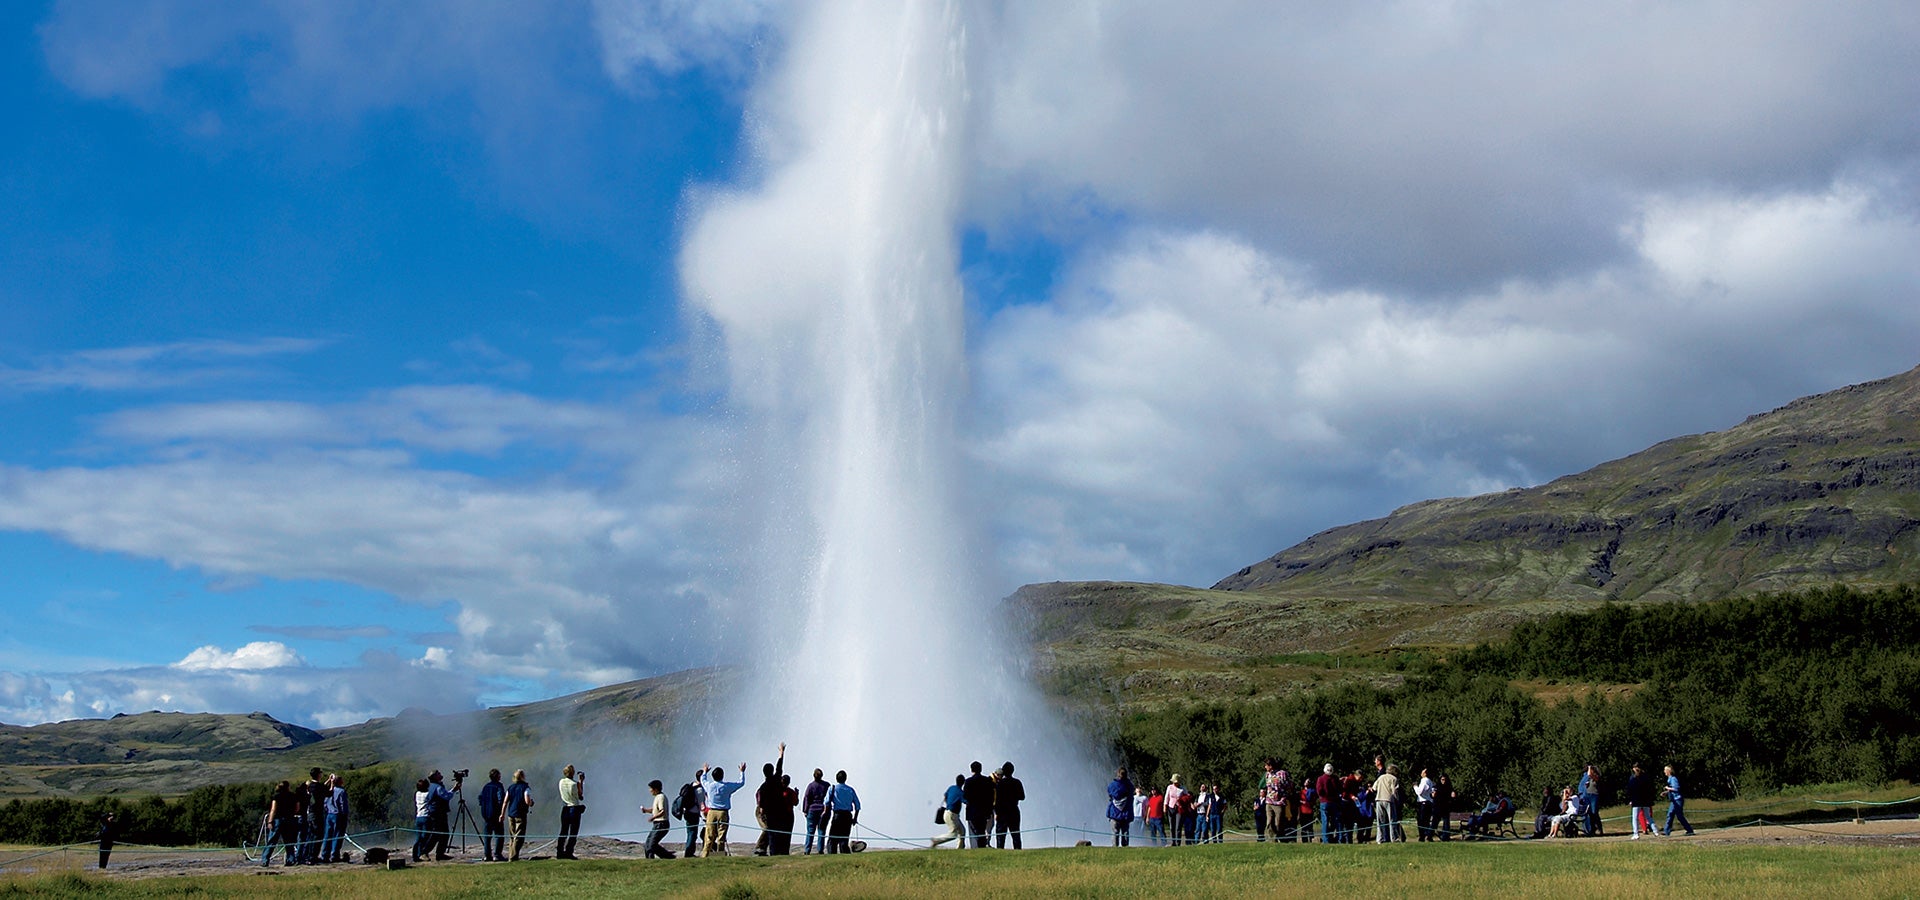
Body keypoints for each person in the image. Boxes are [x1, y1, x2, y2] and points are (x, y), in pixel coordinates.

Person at [703, 761, 749, 856]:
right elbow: (741, 783)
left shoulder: (709, 786)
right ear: (722, 776)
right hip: (723, 812)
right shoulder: (727, 786)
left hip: (711, 812)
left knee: (709, 835)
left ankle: (705, 855)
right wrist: (742, 772)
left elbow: (703, 780)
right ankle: (719, 855)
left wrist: (704, 771)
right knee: (721, 835)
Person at [754, 743, 787, 856]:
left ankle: (768, 850)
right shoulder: (777, 780)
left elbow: (761, 803)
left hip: (768, 811)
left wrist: (762, 811)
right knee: (771, 831)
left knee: (770, 831)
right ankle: (764, 849)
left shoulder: (763, 786)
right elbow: (779, 767)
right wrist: (781, 753)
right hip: (774, 811)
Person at [824, 770, 861, 854]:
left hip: (837, 815)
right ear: (845, 779)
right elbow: (857, 805)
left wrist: (825, 813)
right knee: (844, 839)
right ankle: (844, 855)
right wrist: (855, 818)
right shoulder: (850, 790)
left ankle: (832, 856)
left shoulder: (833, 788)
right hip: (848, 816)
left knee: (832, 839)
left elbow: (826, 802)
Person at [424, 770, 457, 860]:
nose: (441, 774)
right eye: (438, 774)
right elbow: (446, 796)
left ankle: (440, 853)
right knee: (437, 834)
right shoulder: (437, 787)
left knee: (443, 834)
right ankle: (425, 851)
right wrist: (454, 790)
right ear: (435, 777)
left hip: (437, 812)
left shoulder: (433, 786)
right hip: (438, 813)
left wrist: (453, 790)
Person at [962, 761, 995, 848]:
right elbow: (991, 796)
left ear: (971, 770)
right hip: (984, 811)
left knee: (973, 833)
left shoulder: (968, 781)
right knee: (982, 831)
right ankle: (982, 847)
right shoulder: (987, 781)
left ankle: (975, 848)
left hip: (972, 811)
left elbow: (965, 796)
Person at [993, 762, 1026, 849]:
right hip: (1013, 810)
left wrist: (996, 812)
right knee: (1015, 835)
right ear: (1012, 771)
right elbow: (1022, 797)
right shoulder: (1017, 782)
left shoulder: (999, 784)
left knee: (1000, 836)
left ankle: (1000, 853)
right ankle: (1018, 851)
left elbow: (996, 800)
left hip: (1002, 812)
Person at [504, 769, 534, 861]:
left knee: (512, 836)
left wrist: (502, 814)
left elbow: (505, 801)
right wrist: (531, 803)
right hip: (520, 814)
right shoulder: (525, 787)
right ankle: (513, 857)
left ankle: (511, 855)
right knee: (519, 836)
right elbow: (527, 800)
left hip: (510, 814)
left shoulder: (510, 788)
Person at [556, 765, 585, 859]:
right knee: (573, 831)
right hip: (574, 808)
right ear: (572, 773)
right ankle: (569, 852)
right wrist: (581, 782)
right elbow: (580, 796)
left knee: (563, 831)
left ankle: (559, 852)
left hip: (565, 808)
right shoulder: (575, 784)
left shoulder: (561, 782)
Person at [478, 769, 506, 862]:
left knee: (487, 836)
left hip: (486, 814)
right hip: (495, 814)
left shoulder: (486, 786)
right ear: (497, 776)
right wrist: (501, 811)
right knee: (499, 835)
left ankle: (487, 855)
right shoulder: (498, 786)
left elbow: (480, 798)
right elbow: (500, 798)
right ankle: (497, 855)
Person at [301, 767, 327, 864]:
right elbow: (328, 792)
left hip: (310, 813)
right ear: (318, 774)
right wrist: (332, 783)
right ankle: (313, 856)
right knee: (318, 835)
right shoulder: (318, 786)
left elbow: (321, 788)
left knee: (311, 835)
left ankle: (306, 855)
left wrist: (328, 781)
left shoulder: (310, 786)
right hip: (317, 813)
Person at [933, 774, 966, 848]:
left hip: (947, 813)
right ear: (963, 783)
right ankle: (936, 840)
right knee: (953, 834)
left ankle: (960, 848)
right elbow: (966, 801)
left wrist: (949, 803)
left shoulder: (951, 788)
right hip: (952, 815)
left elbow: (945, 796)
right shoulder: (960, 792)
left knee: (962, 831)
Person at [802, 768, 831, 854]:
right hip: (823, 810)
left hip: (812, 810)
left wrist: (805, 810)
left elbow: (806, 798)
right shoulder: (826, 785)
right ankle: (820, 850)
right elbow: (830, 798)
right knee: (821, 831)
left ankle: (807, 850)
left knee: (810, 831)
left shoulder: (811, 786)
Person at [322, 774, 349, 863]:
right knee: (337, 835)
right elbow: (343, 805)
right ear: (340, 782)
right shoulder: (341, 791)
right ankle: (334, 855)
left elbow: (325, 803)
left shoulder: (328, 790)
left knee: (327, 835)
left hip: (329, 814)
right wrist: (345, 815)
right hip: (338, 815)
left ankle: (325, 854)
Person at [646, 780, 677, 859]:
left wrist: (653, 818)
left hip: (661, 824)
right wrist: (646, 810)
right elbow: (655, 809)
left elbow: (662, 811)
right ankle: (668, 856)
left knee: (651, 844)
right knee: (649, 843)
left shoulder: (661, 797)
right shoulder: (658, 797)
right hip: (657, 824)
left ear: (655, 789)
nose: (650, 791)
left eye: (651, 788)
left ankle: (651, 859)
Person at [1661, 765, 1694, 836]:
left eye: (1665, 770)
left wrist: (1668, 788)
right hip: (1674, 800)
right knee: (1670, 814)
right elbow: (1673, 790)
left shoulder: (1673, 779)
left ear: (1668, 771)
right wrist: (1666, 792)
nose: (1664, 772)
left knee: (1679, 815)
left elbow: (1676, 788)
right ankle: (1666, 831)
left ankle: (1689, 830)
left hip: (1678, 799)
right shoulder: (1670, 779)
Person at [679, 773, 706, 857]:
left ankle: (689, 851)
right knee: (693, 834)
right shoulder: (700, 790)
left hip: (687, 812)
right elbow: (701, 804)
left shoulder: (691, 785)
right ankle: (689, 853)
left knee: (689, 832)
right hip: (694, 813)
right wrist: (704, 816)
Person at [1372, 765, 1400, 843]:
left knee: (1380, 821)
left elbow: (1374, 788)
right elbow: (1394, 791)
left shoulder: (1380, 777)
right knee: (1392, 820)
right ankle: (1393, 838)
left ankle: (1380, 839)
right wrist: (1397, 800)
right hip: (1388, 800)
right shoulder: (1394, 779)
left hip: (1379, 799)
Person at [1626, 765, 1656, 839]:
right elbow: (1650, 789)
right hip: (1645, 801)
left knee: (1635, 818)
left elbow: (1630, 790)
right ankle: (1656, 831)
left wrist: (1630, 799)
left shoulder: (1632, 779)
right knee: (1648, 817)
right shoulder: (1646, 778)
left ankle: (1636, 833)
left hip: (1636, 801)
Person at [1107, 767, 1135, 847]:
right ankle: (1125, 847)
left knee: (1115, 832)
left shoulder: (1112, 785)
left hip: (1114, 812)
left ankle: (1115, 847)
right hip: (1126, 813)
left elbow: (1109, 794)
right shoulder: (1129, 786)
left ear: (1117, 774)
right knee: (1125, 832)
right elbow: (1132, 792)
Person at [409, 777, 433, 863]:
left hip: (418, 817)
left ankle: (415, 854)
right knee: (425, 837)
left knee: (418, 837)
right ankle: (422, 853)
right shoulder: (427, 794)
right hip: (426, 816)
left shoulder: (417, 794)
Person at [1314, 764, 1338, 844]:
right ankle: (1331, 836)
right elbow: (1339, 789)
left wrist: (1322, 796)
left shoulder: (1320, 779)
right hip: (1334, 802)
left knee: (1325, 821)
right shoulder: (1335, 778)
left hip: (1324, 802)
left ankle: (1326, 839)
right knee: (1334, 821)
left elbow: (1319, 790)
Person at [1580, 764, 1602, 836]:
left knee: (1594, 812)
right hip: (1587, 795)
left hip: (1594, 795)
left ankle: (1599, 828)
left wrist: (1590, 768)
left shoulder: (1595, 776)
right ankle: (1591, 829)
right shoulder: (1587, 778)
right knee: (1589, 813)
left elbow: (1590, 775)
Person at [1415, 768, 1436, 842]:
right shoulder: (1429, 781)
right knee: (1426, 821)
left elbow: (1420, 792)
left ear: (1425, 773)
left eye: (1422, 772)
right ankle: (1426, 835)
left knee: (1422, 820)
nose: (1421, 773)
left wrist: (1415, 787)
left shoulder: (1425, 780)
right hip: (1428, 802)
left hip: (1423, 802)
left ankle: (1423, 836)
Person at [1434, 773, 1455, 841]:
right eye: (1442, 779)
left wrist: (1453, 794)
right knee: (1435, 822)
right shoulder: (1437, 786)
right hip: (1438, 807)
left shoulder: (1449, 787)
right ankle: (1429, 835)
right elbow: (1433, 795)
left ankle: (1446, 836)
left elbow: (1452, 794)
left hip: (1446, 807)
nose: (1444, 781)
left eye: (1445, 780)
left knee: (1446, 823)